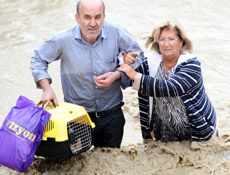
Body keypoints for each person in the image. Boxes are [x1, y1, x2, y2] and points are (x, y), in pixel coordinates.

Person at [30, 0, 144, 148]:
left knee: (108, 164)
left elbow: (139, 56)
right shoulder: (63, 40)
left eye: (97, 17)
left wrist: (117, 74)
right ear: (77, 18)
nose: (93, 23)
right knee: (78, 166)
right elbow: (38, 59)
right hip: (77, 118)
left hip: (112, 116)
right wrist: (46, 88)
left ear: (104, 17)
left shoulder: (116, 32)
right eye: (87, 17)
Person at [119, 21, 217, 149]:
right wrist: (125, 60)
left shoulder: (192, 65)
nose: (166, 44)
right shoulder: (150, 63)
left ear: (181, 42)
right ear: (157, 43)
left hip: (197, 131)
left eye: (171, 39)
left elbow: (169, 87)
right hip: (165, 132)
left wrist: (135, 75)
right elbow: (127, 80)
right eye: (162, 39)